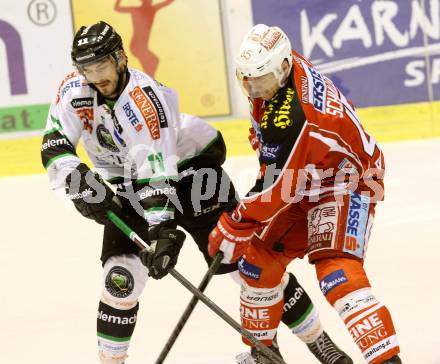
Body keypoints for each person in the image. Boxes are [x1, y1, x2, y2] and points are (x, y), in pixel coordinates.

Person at [41, 21, 352, 364]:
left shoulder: (145, 101)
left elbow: (157, 173)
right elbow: (54, 144)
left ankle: (320, 343)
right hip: (131, 185)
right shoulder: (74, 91)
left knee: (249, 268)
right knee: (120, 282)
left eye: (100, 66)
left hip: (194, 176)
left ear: (120, 58)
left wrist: (163, 232)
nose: (94, 75)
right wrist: (79, 184)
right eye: (86, 68)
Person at [209, 24, 402, 364]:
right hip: (307, 176)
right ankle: (263, 354)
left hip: (347, 181)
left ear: (283, 68)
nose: (253, 88)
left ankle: (388, 361)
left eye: (260, 79)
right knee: (257, 262)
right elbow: (280, 177)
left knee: (336, 271)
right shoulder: (283, 68)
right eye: (246, 78)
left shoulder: (296, 117)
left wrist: (235, 223)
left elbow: (278, 189)